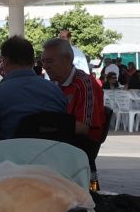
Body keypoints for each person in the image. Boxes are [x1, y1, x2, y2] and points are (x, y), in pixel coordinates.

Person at [0, 36, 67, 140]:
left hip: (10, 154)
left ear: (5, 61)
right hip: (55, 153)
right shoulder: (56, 91)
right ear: (32, 61)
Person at [40, 36, 106, 164]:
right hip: (62, 143)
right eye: (43, 62)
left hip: (80, 146)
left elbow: (83, 128)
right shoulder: (55, 84)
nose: (45, 66)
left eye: (50, 61)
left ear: (68, 59)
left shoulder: (84, 84)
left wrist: (44, 126)